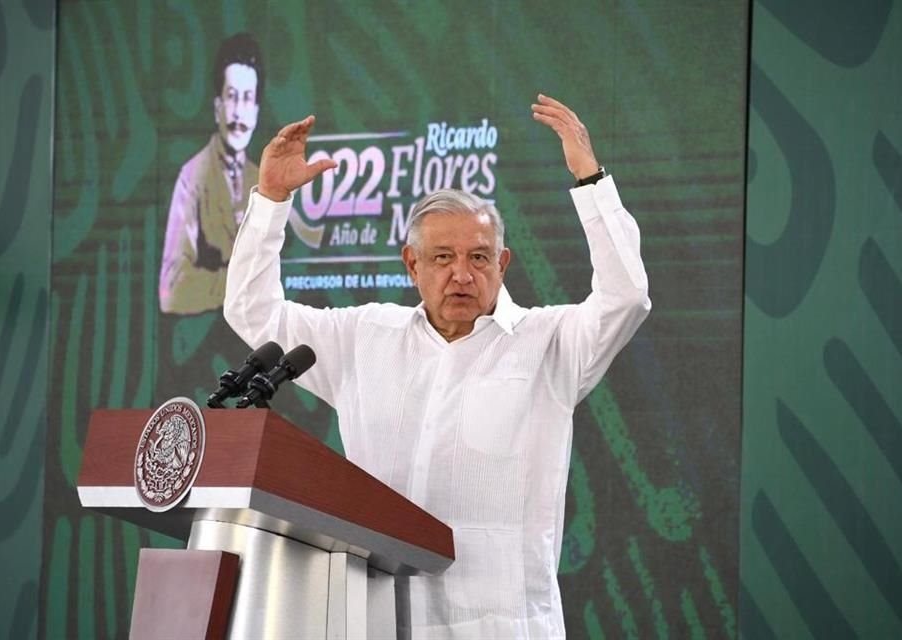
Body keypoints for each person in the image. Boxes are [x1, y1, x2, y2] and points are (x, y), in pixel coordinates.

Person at [224, 95, 651, 638]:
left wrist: (590, 180)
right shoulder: (364, 338)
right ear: (412, 265)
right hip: (382, 621)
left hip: (502, 627)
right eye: (443, 258)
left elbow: (627, 297)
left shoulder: (551, 343)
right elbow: (252, 311)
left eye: (478, 258)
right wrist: (271, 199)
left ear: (501, 264)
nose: (462, 275)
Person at [158, 32, 263, 314]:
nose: (239, 114)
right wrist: (239, 286)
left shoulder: (262, 181)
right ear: (217, 108)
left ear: (256, 111)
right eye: (231, 97)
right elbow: (171, 291)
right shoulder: (193, 176)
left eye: (247, 99)